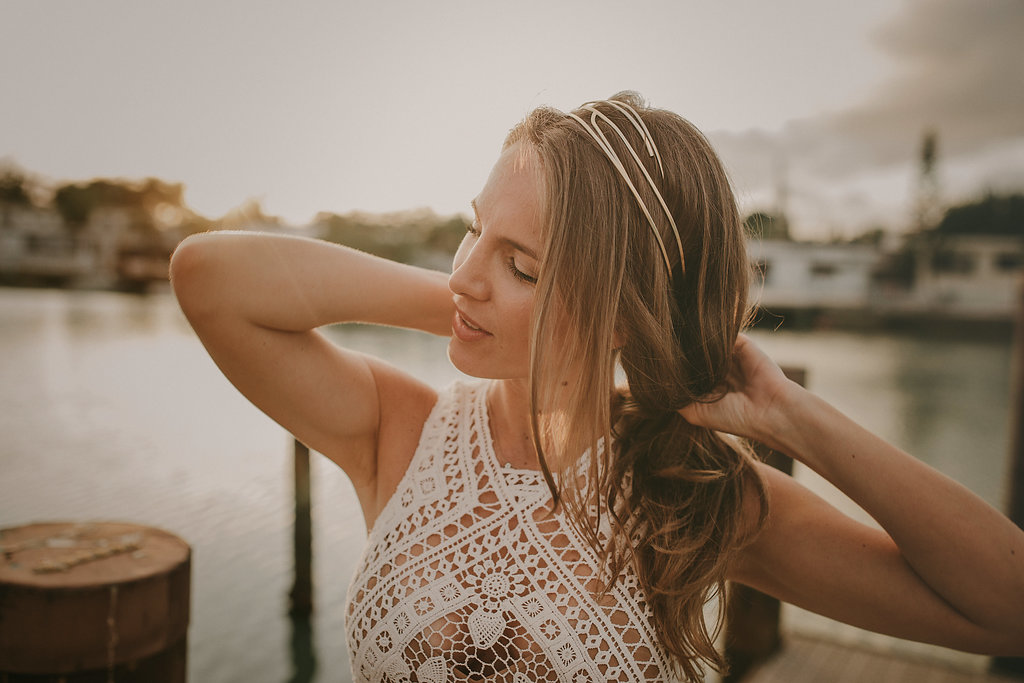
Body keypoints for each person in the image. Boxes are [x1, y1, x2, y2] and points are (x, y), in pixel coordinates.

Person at [170, 93, 1024, 682]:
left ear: (624, 317)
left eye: (523, 265)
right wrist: (483, 307)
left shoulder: (689, 499)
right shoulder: (399, 428)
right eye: (474, 230)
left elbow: (1006, 608)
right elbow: (209, 278)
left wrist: (790, 417)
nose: (466, 270)